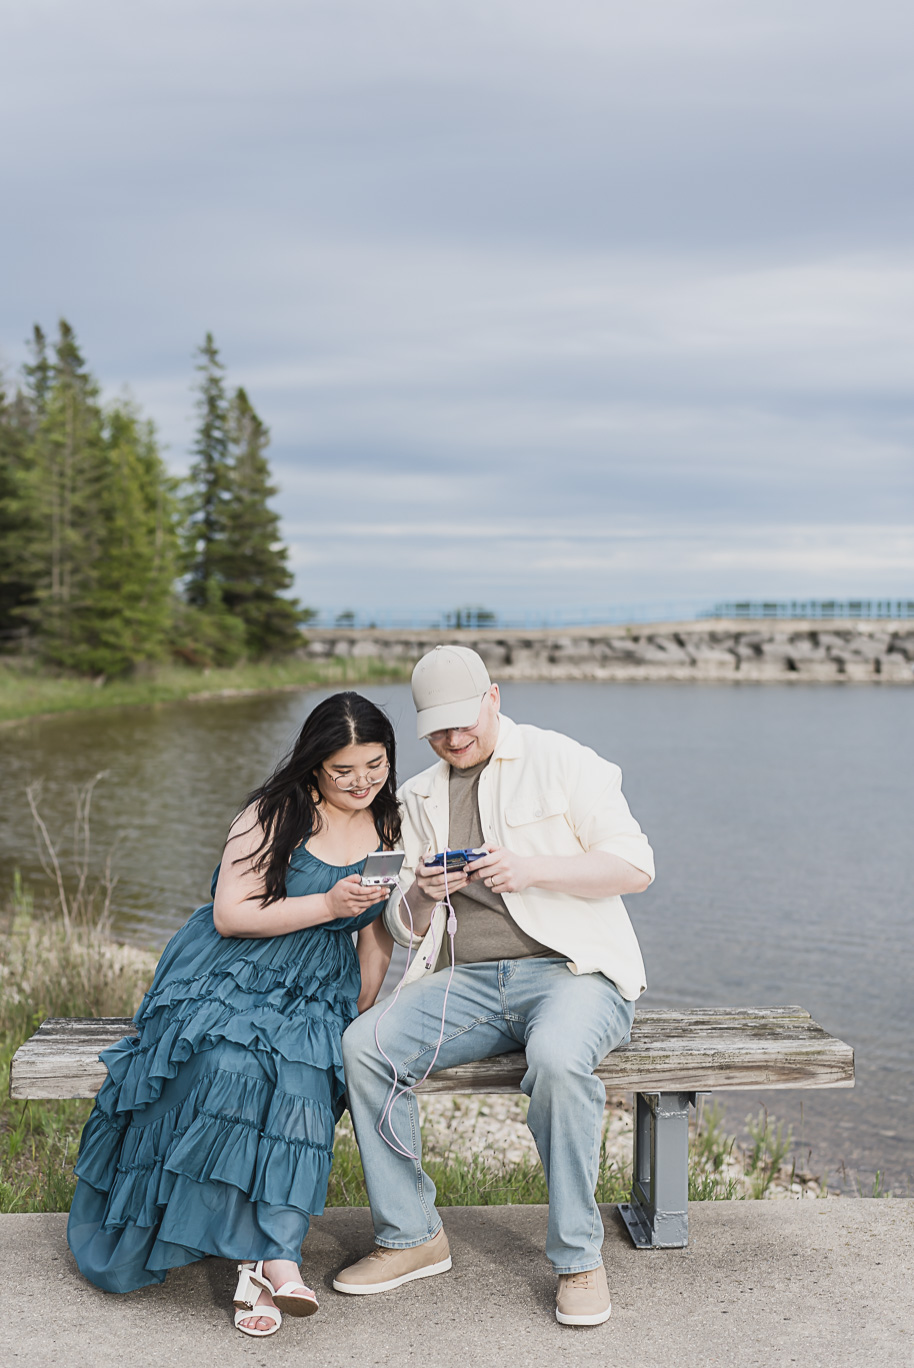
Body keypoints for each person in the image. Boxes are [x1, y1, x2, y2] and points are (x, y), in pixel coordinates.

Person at [337, 646, 654, 1327]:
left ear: (494, 698)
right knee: (365, 1047)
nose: (453, 739)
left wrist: (532, 869)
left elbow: (634, 866)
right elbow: (403, 924)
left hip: (574, 974)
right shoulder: (418, 795)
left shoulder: (564, 760)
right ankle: (412, 1237)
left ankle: (578, 1260)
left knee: (559, 1062)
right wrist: (421, 894)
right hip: (467, 983)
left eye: (463, 722)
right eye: (437, 729)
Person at [67, 691, 397, 1337]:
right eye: (345, 770)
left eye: (376, 765)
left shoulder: (393, 824)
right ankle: (270, 1260)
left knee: (302, 1080)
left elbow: (377, 933)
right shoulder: (272, 813)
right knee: (230, 1064)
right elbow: (232, 914)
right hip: (228, 971)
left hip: (315, 987)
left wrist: (360, 1010)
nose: (362, 782)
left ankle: (266, 1259)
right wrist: (329, 905)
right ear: (313, 765)